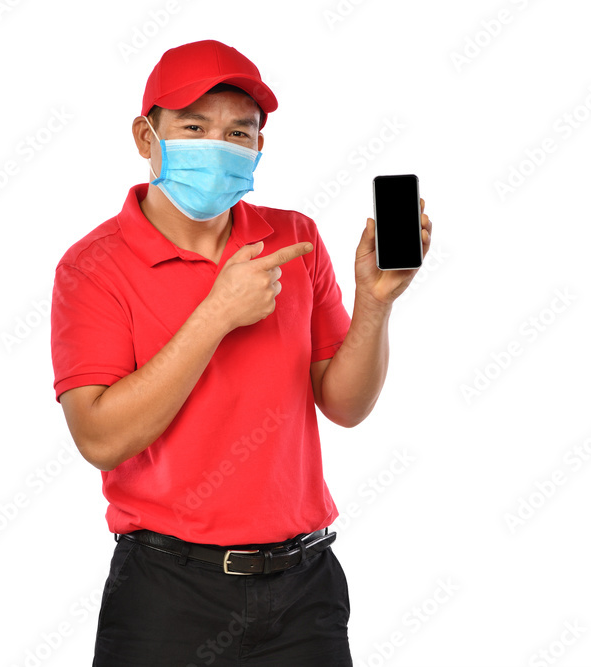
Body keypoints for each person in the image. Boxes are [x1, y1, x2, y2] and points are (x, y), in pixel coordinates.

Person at [49, 39, 432, 667]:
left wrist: (375, 303)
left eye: (238, 133)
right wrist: (217, 315)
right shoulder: (93, 267)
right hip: (168, 593)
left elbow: (345, 404)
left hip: (305, 588)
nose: (218, 145)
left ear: (258, 148)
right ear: (147, 138)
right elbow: (99, 439)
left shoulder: (294, 237)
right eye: (194, 126)